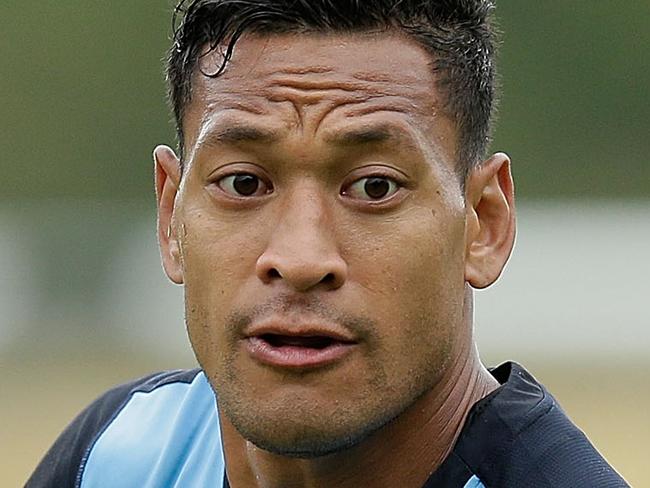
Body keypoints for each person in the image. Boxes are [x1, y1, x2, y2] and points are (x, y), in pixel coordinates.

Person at [27, 1, 629, 487]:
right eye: (243, 183)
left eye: (373, 187)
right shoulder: (111, 458)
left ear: (484, 222)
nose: (300, 259)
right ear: (172, 217)